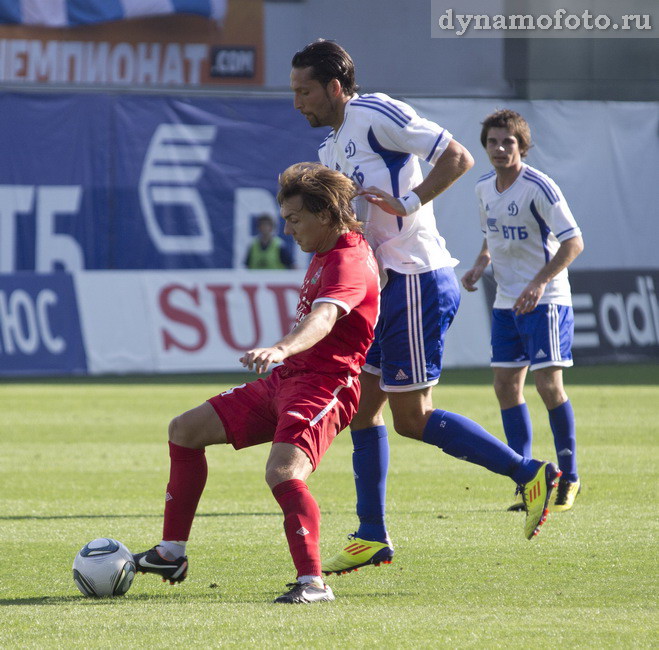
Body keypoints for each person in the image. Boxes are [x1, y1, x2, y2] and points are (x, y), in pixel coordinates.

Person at [290, 39, 562, 576]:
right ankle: (371, 534)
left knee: (412, 418)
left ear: (336, 88)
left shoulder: (373, 113)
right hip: (384, 290)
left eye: (304, 91)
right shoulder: (330, 150)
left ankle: (530, 473)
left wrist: (410, 202)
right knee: (364, 411)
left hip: (415, 281)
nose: (297, 101)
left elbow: (456, 155)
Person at [133, 163, 380, 604]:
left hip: (326, 385)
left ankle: (313, 583)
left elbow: (324, 319)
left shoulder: (348, 260)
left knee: (283, 472)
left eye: (294, 219)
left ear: (324, 215)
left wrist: (282, 348)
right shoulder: (325, 250)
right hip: (286, 380)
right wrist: (285, 361)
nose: (286, 231)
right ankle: (171, 552)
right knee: (184, 430)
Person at [461, 109, 584, 512]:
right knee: (505, 386)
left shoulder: (539, 187)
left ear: (522, 146)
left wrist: (539, 282)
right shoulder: (483, 188)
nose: (499, 148)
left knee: (548, 386)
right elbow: (489, 235)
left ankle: (569, 478)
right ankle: (527, 478)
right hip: (505, 301)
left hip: (544, 301)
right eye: (493, 142)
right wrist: (481, 262)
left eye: (507, 142)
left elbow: (573, 243)